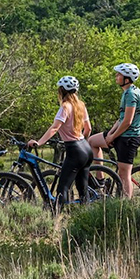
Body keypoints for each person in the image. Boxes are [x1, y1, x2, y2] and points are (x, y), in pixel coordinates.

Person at [28, 76, 93, 207]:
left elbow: (54, 128)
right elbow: (89, 129)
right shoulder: (81, 105)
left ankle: (56, 219)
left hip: (75, 150)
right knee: (83, 189)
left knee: (62, 188)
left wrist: (39, 142)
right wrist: (82, 141)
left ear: (62, 90)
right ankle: (87, 216)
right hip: (86, 148)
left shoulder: (65, 107)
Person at [88, 63, 140, 198]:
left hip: (129, 137)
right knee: (92, 141)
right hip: (122, 134)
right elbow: (120, 119)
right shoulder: (127, 92)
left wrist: (112, 137)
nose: (116, 76)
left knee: (124, 174)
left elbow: (127, 121)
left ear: (127, 78)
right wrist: (110, 134)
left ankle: (127, 205)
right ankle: (100, 180)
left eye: (119, 74)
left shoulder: (131, 94)